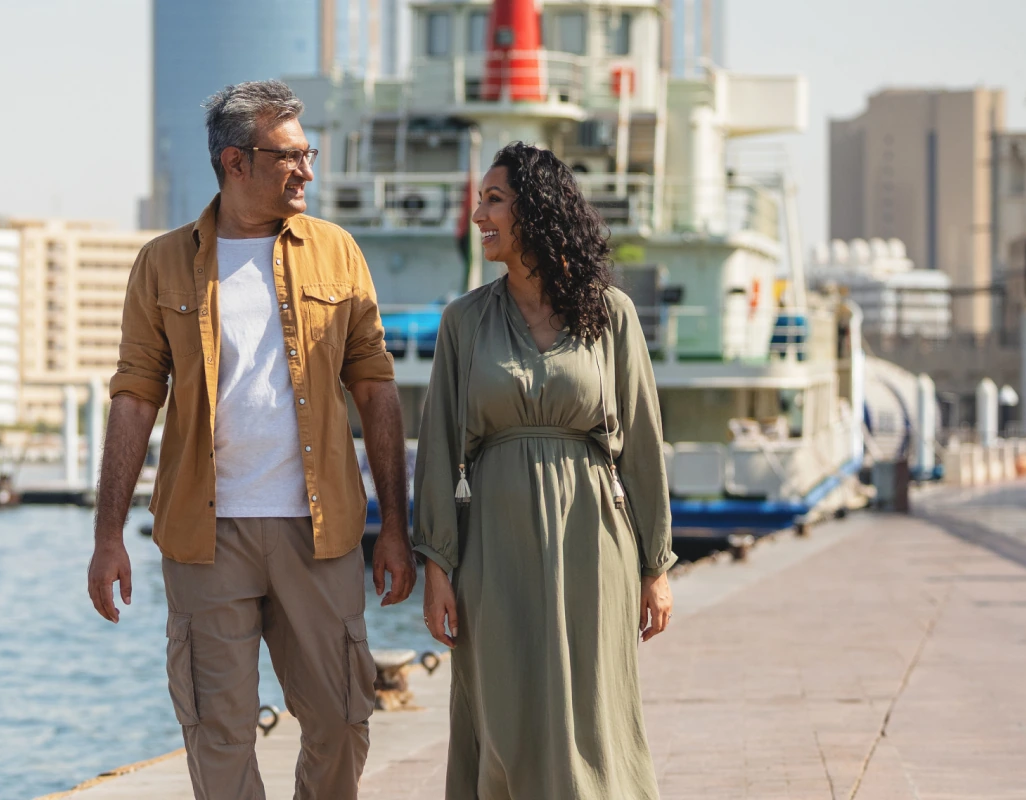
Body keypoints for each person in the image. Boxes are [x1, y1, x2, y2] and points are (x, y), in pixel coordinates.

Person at [86, 80, 416, 799]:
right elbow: (136, 397)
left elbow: (375, 389)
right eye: (290, 155)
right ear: (236, 162)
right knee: (217, 731)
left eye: (309, 153)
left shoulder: (337, 253)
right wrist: (108, 534)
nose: (307, 170)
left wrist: (394, 526)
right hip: (205, 538)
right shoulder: (163, 263)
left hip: (320, 531)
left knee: (341, 720)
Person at [412, 142, 674, 799]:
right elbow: (439, 447)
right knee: (504, 717)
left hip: (593, 543)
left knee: (592, 715)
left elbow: (641, 443)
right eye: (481, 201)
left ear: (537, 209)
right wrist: (436, 568)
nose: (479, 215)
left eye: (494, 200)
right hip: (494, 551)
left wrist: (656, 566)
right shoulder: (463, 321)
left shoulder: (610, 315)